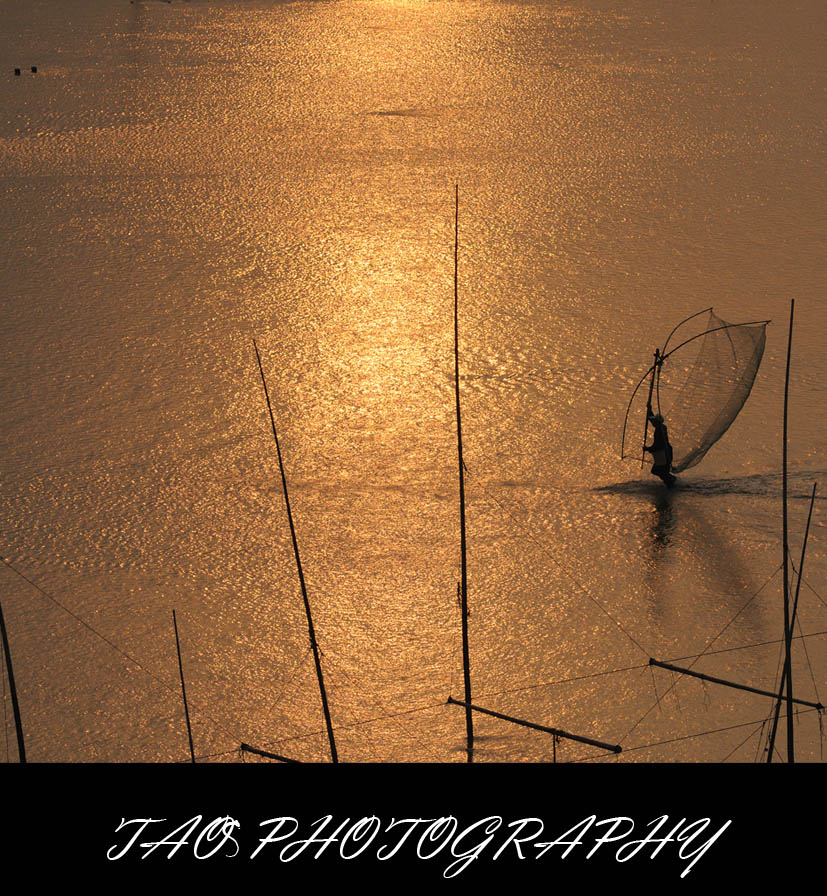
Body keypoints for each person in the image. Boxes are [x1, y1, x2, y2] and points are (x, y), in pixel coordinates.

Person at [644, 402, 676, 487]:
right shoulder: (661, 427)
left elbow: (658, 445)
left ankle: (671, 481)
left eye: (654, 421)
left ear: (657, 422)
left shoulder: (659, 430)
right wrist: (649, 409)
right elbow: (651, 419)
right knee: (660, 471)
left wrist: (648, 449)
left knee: (658, 470)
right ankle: (670, 482)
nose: (652, 422)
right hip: (664, 452)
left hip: (664, 453)